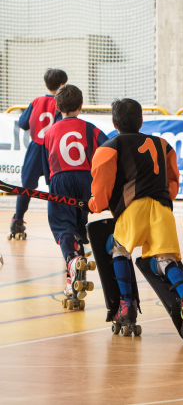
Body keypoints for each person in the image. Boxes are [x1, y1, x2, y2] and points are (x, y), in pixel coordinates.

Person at [89, 99, 183, 336]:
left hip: (133, 210)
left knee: (118, 248)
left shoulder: (109, 147)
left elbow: (101, 190)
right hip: (162, 209)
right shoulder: (163, 144)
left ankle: (126, 305)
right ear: (141, 121)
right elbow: (172, 182)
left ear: (114, 123)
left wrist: (95, 205)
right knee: (163, 259)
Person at [42, 84, 108, 309]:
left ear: (57, 107)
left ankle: (73, 261)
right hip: (86, 181)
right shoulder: (91, 128)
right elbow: (109, 149)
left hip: (60, 180)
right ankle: (72, 282)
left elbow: (47, 166)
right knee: (79, 229)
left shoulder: (50, 131)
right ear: (81, 106)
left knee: (63, 228)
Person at [9, 68, 67, 240]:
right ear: (62, 85)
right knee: (55, 189)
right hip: (51, 149)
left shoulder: (36, 101)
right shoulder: (60, 104)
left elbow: (22, 123)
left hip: (35, 147)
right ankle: (63, 225)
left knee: (26, 187)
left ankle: (17, 220)